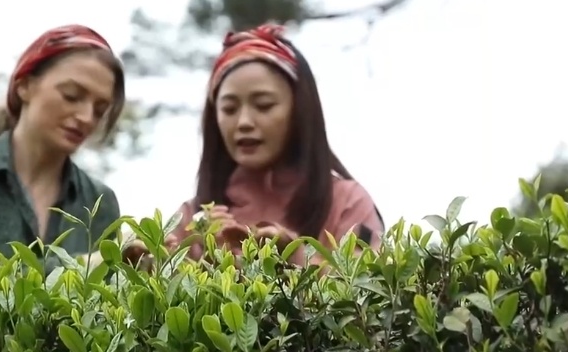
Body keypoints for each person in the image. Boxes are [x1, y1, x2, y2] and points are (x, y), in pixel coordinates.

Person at [126, 24, 384, 269]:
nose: (244, 122)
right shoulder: (192, 218)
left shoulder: (347, 203)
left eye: (264, 105)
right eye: (229, 108)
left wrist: (292, 258)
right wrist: (151, 264)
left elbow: (370, 293)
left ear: (299, 111)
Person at [0, 24, 125, 277]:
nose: (87, 117)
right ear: (25, 86)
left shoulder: (100, 202)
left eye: (100, 109)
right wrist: (88, 265)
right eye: (72, 95)